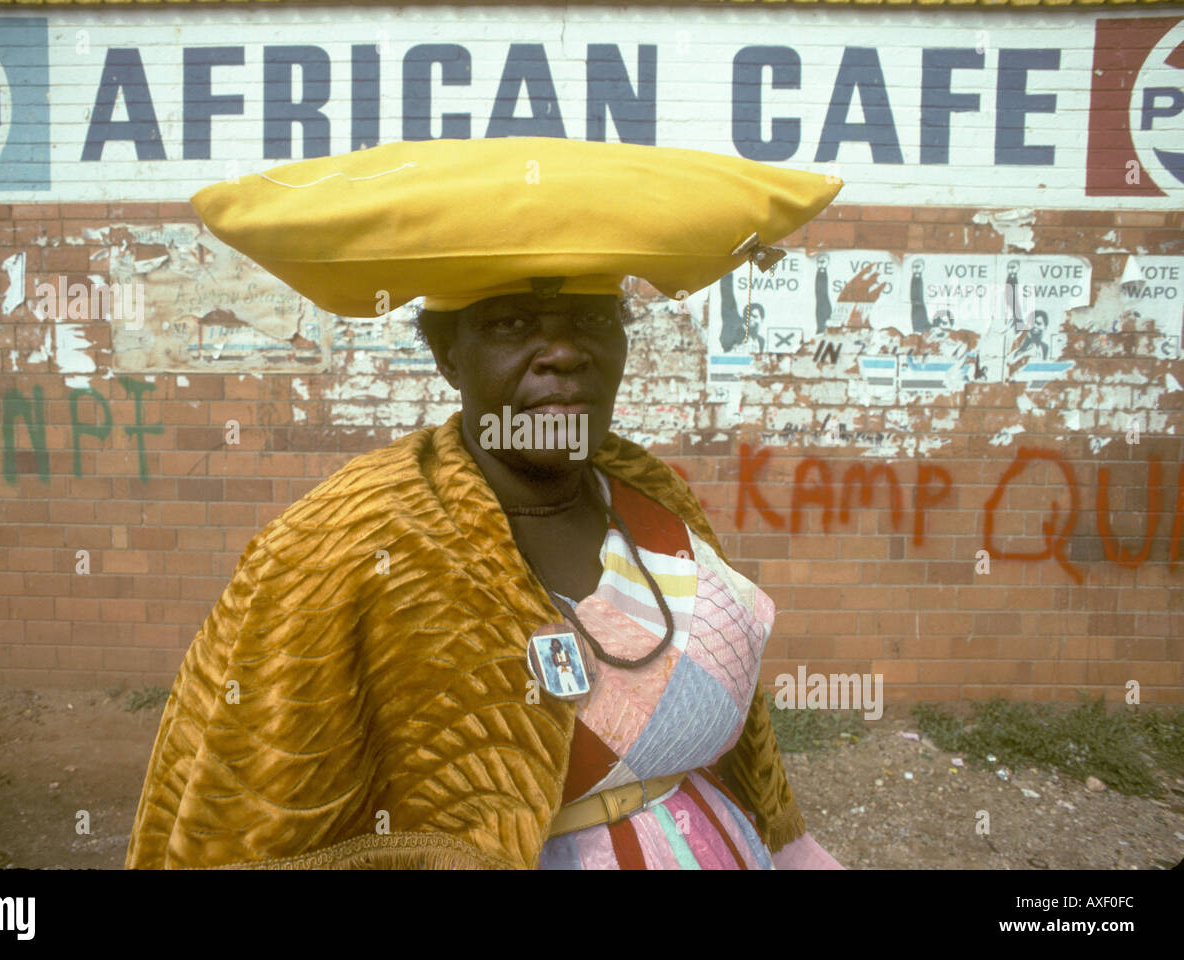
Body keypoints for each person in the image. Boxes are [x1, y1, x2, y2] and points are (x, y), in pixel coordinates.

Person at [125, 136, 844, 870]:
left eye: (593, 321)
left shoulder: (655, 498)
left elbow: (749, 750)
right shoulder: (347, 540)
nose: (562, 353)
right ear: (446, 355)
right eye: (509, 324)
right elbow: (242, 810)